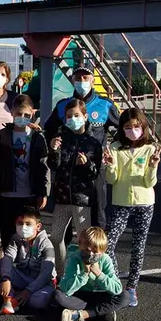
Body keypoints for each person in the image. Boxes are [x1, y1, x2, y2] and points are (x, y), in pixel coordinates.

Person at [44, 67, 120, 233]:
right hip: (67, 167)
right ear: (72, 81)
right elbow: (48, 129)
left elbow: (122, 129)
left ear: (93, 80)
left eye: (85, 78)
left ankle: (98, 246)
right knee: (66, 213)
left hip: (95, 167)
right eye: (78, 78)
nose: (82, 82)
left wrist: (113, 150)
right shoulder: (63, 105)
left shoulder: (105, 105)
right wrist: (54, 145)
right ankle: (66, 248)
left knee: (98, 211)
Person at [104, 108, 161, 308]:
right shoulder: (115, 147)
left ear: (143, 127)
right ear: (122, 128)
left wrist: (153, 166)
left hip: (144, 203)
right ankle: (116, 284)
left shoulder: (150, 149)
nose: (133, 130)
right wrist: (110, 165)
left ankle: (131, 288)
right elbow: (112, 179)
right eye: (128, 127)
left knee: (138, 246)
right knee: (108, 244)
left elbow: (149, 182)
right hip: (121, 202)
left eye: (136, 126)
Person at [47, 98, 102, 274]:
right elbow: (53, 166)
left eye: (76, 115)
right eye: (69, 116)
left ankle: (86, 274)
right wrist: (54, 151)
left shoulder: (93, 143)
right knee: (56, 237)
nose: (72, 119)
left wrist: (86, 164)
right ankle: (62, 273)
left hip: (82, 199)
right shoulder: (61, 138)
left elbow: (95, 173)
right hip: (62, 197)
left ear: (85, 116)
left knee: (85, 242)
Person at [0, 94, 50, 247]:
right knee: (8, 235)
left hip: (29, 194)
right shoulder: (2, 135)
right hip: (7, 194)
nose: (22, 118)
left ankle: (28, 261)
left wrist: (43, 192)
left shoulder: (37, 137)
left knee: (27, 235)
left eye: (26, 115)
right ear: (12, 112)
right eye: (19, 114)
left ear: (32, 113)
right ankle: (8, 261)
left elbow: (44, 166)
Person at [53, 227, 129, 321]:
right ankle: (101, 312)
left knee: (125, 296)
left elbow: (117, 288)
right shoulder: (74, 258)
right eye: (87, 250)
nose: (90, 254)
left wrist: (99, 274)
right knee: (58, 296)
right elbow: (65, 289)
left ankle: (82, 315)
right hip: (80, 295)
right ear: (80, 245)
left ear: (103, 251)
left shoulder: (105, 260)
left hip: (100, 295)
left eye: (95, 252)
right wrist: (84, 274)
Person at [0, 207, 55, 315]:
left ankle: (17, 298)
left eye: (28, 224)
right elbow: (8, 258)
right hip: (23, 278)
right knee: (0, 263)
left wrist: (28, 291)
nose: (23, 227)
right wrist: (6, 278)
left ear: (38, 226)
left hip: (42, 282)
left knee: (38, 302)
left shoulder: (46, 245)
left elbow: (46, 274)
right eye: (20, 223)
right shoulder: (15, 240)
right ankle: (9, 300)